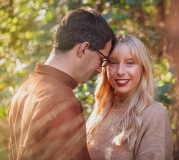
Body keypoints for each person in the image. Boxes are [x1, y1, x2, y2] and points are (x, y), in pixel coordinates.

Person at [8, 8, 116, 160]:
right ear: (84, 49)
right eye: (101, 59)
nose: (100, 70)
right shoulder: (63, 102)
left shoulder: (24, 90)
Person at [87, 34, 173, 160]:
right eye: (113, 62)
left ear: (142, 69)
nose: (120, 71)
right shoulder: (100, 111)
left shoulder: (153, 115)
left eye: (130, 63)